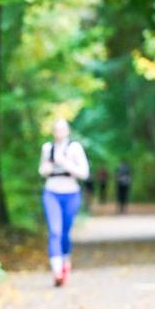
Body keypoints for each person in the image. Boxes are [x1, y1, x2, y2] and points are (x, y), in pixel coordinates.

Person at [38, 119, 90, 287]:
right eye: (56, 129)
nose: (59, 132)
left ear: (67, 131)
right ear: (53, 132)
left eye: (62, 129)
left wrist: (65, 163)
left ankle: (66, 259)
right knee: (55, 231)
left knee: (65, 233)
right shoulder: (47, 148)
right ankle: (57, 271)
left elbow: (84, 173)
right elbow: (43, 170)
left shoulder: (75, 148)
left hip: (71, 193)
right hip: (51, 193)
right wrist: (46, 169)